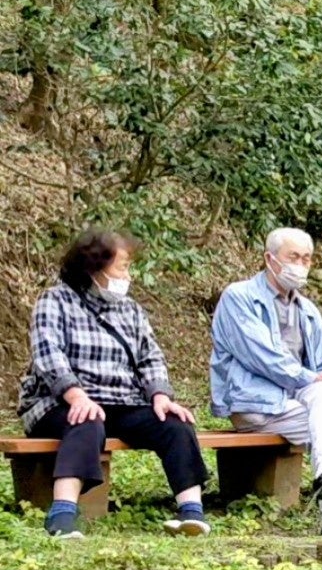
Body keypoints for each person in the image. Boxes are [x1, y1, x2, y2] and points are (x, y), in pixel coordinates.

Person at [17, 229, 211, 539]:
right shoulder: (55, 300)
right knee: (86, 419)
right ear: (93, 266)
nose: (128, 275)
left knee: (174, 422)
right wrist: (76, 394)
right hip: (58, 402)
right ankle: (63, 514)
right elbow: (48, 353)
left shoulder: (130, 309)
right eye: (122, 267)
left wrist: (160, 395)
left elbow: (150, 357)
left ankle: (191, 512)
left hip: (121, 400)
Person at [210, 228, 322, 536]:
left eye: (306, 259)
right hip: (253, 404)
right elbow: (262, 357)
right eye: (293, 257)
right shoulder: (239, 297)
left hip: (296, 405)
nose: (300, 264)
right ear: (270, 259)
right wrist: (314, 378)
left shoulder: (306, 309)